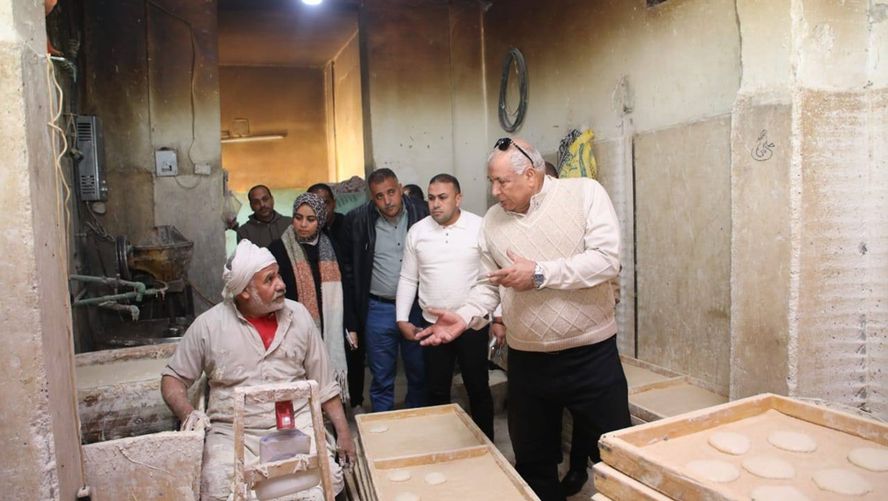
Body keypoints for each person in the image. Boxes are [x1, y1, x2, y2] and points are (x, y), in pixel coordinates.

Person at [416, 138, 630, 501]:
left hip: (591, 357)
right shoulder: (493, 222)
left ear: (530, 175)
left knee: (618, 458)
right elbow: (491, 284)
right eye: (491, 182)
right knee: (533, 462)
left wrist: (541, 274)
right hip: (528, 363)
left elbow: (606, 260)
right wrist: (465, 316)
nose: (494, 192)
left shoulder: (585, 194)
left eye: (502, 182)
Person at [160, 240, 355, 501]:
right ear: (244, 292)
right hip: (232, 431)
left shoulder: (299, 316)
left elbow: (325, 383)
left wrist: (344, 433)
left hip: (294, 425)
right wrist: (188, 414)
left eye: (279, 275)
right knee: (216, 485)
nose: (281, 284)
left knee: (329, 480)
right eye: (269, 279)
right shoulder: (209, 326)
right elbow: (173, 378)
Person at [395, 174, 494, 439]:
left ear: (458, 198)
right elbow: (408, 278)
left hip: (472, 323)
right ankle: (442, 445)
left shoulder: (479, 227)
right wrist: (401, 318)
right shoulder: (418, 232)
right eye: (431, 198)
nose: (435, 204)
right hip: (433, 326)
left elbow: (492, 278)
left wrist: (499, 318)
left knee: (478, 387)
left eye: (442, 197)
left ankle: (486, 447)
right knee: (437, 389)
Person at [341, 168, 428, 412]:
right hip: (379, 308)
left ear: (400, 188)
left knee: (419, 371)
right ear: (372, 197)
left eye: (391, 192)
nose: (387, 201)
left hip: (416, 307)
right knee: (381, 375)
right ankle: (383, 425)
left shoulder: (422, 212)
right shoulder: (357, 220)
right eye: (379, 196)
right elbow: (348, 267)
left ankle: (417, 419)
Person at [267, 192, 349, 403]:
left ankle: (328, 411)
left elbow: (346, 288)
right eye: (298, 217)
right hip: (291, 327)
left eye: (310, 219)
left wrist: (351, 325)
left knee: (325, 378)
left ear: (320, 220)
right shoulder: (277, 249)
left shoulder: (331, 247)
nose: (303, 224)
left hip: (328, 327)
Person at [307, 183, 363, 409]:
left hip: (347, 299)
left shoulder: (346, 225)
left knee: (353, 352)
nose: (321, 208)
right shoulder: (304, 234)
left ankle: (355, 401)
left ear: (334, 203)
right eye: (315, 204)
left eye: (325, 203)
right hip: (316, 307)